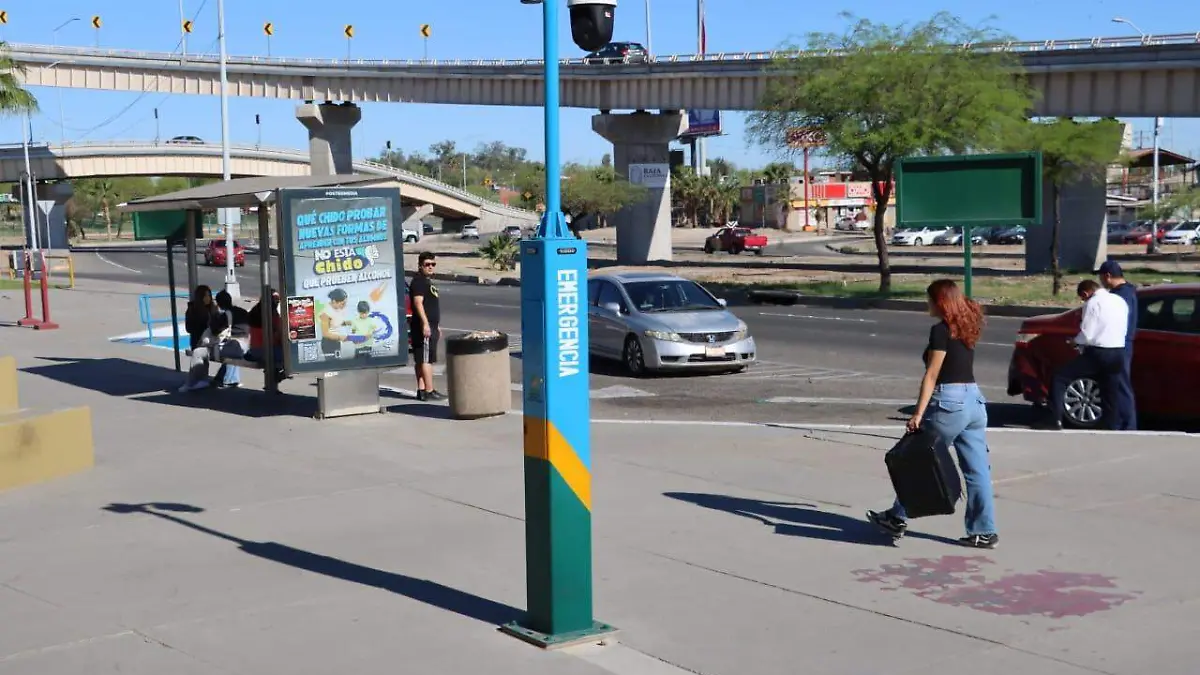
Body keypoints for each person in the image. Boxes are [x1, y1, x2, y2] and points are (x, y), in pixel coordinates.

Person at [867, 279, 998, 549]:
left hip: (950, 402)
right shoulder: (967, 324)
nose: (926, 304)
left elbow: (932, 374)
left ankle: (896, 518)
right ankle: (984, 532)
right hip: (974, 401)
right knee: (977, 471)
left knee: (920, 460)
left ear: (939, 302)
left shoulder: (941, 330)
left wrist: (918, 413)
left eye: (928, 299)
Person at [1047, 280, 1129, 431]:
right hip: (1118, 351)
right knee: (1110, 391)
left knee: (1060, 377)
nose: (1083, 300)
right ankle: (1110, 425)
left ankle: (1055, 419)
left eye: (1083, 298)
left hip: (1099, 352)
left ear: (1086, 293)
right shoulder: (1120, 301)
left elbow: (1087, 334)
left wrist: (1074, 342)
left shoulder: (1092, 304)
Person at [1098, 260, 1138, 430]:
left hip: (1120, 345)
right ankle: (1120, 423)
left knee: (1121, 387)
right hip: (1123, 344)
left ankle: (1126, 425)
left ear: (1107, 276)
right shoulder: (1129, 291)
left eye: (1101, 277)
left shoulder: (1121, 296)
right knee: (1119, 385)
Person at [409, 251, 446, 401]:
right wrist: (425, 323)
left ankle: (422, 390)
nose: (430, 267)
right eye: (427, 264)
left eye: (433, 264)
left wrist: (436, 326)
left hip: (430, 324)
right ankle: (430, 390)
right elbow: (418, 303)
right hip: (423, 325)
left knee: (422, 359)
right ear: (420, 265)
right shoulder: (419, 281)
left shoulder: (425, 281)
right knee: (426, 360)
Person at [210, 290, 251, 389]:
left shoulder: (226, 314)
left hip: (237, 345)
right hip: (248, 343)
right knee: (232, 352)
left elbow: (215, 330)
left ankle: (229, 379)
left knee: (223, 351)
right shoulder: (242, 311)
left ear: (219, 304)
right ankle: (221, 378)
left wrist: (214, 315)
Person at [179, 285, 216, 393]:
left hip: (210, 340)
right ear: (200, 297)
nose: (208, 298)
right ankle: (194, 381)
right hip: (198, 340)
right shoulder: (193, 310)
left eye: (209, 295)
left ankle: (202, 379)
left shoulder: (212, 309)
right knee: (199, 358)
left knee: (204, 361)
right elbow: (189, 328)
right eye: (206, 296)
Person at [247, 288, 285, 383]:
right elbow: (277, 336)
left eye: (278, 299)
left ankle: (272, 379)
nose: (277, 301)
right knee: (291, 357)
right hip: (267, 350)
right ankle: (276, 378)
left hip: (254, 350)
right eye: (275, 299)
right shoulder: (271, 314)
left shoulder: (255, 310)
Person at [318, 288, 352, 360]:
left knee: (338, 362)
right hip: (328, 344)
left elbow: (336, 323)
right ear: (334, 301)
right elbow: (325, 333)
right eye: (343, 303)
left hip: (337, 342)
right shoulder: (325, 313)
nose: (345, 305)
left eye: (345, 303)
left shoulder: (338, 308)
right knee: (333, 364)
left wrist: (349, 323)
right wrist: (341, 337)